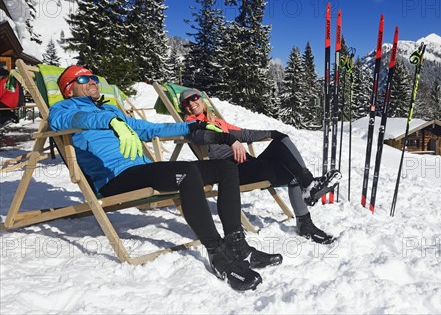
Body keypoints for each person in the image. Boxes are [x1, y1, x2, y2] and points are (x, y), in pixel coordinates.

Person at [49, 65, 282, 291]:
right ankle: (217, 254)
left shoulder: (110, 111)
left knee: (226, 167)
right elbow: (73, 120)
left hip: (143, 171)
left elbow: (151, 129)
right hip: (115, 179)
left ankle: (237, 245)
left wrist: (193, 128)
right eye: (82, 79)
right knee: (186, 173)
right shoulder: (62, 109)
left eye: (93, 78)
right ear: (69, 89)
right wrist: (109, 122)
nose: (91, 81)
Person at [179, 88, 340, 245]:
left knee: (282, 141)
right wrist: (230, 140)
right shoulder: (192, 124)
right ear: (184, 108)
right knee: (292, 170)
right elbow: (200, 137)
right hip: (232, 171)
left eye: (194, 98)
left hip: (249, 164)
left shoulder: (217, 122)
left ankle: (307, 195)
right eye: (186, 102)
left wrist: (271, 133)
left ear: (201, 99)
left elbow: (244, 133)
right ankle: (308, 195)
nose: (191, 103)